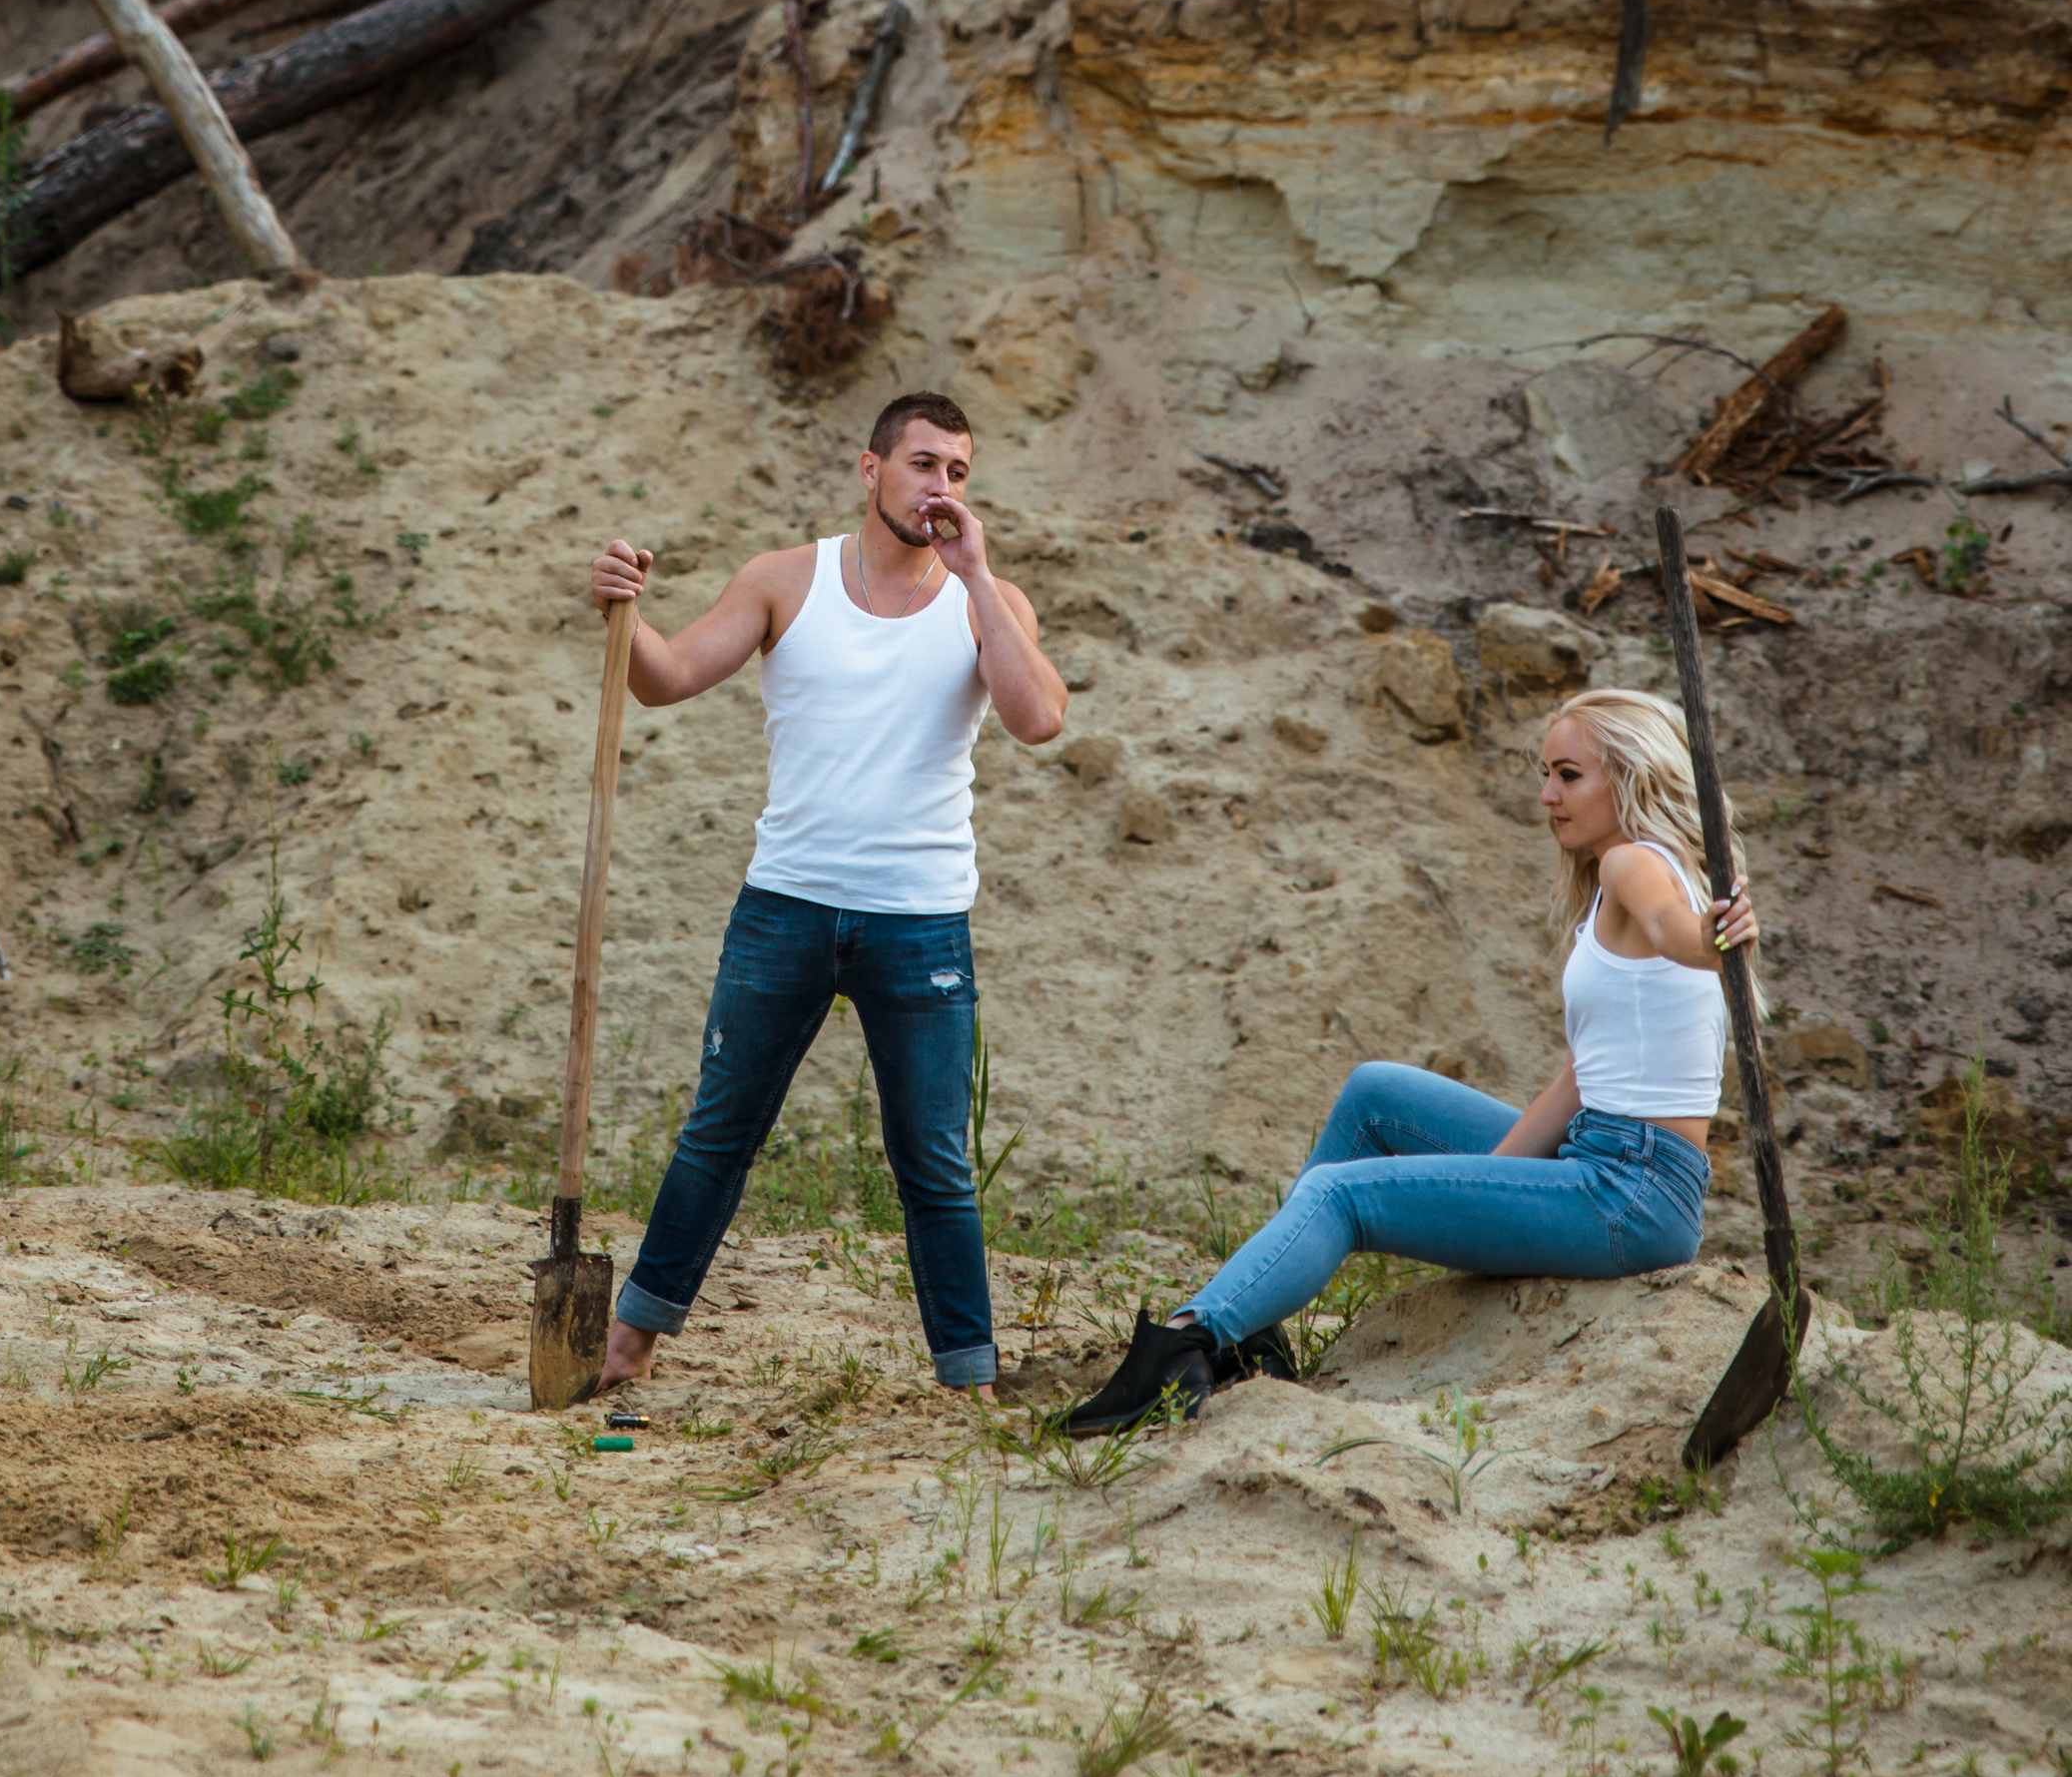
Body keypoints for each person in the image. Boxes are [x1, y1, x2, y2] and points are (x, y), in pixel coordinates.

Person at [1064, 686, 1761, 1436]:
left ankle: (1186, 1344)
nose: (1545, 793)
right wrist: (1481, 1190)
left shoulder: (1635, 864)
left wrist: (1714, 936)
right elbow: (1577, 1076)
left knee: (1340, 1195)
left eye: (1568, 774)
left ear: (1628, 778)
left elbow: (1675, 931)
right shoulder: (1620, 879)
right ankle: (1249, 1328)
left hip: (1632, 1190)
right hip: (1604, 1157)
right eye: (1546, 772)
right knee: (1376, 1094)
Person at [584, 391, 1066, 1406]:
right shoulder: (783, 580)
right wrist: (624, 612)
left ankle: (967, 1380)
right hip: (787, 906)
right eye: (924, 464)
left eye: (958, 473)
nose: (941, 488)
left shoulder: (987, 598)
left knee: (934, 1163)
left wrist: (977, 576)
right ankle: (627, 1346)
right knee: (719, 1133)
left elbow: (1037, 720)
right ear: (870, 468)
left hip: (920, 918)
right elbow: (665, 679)